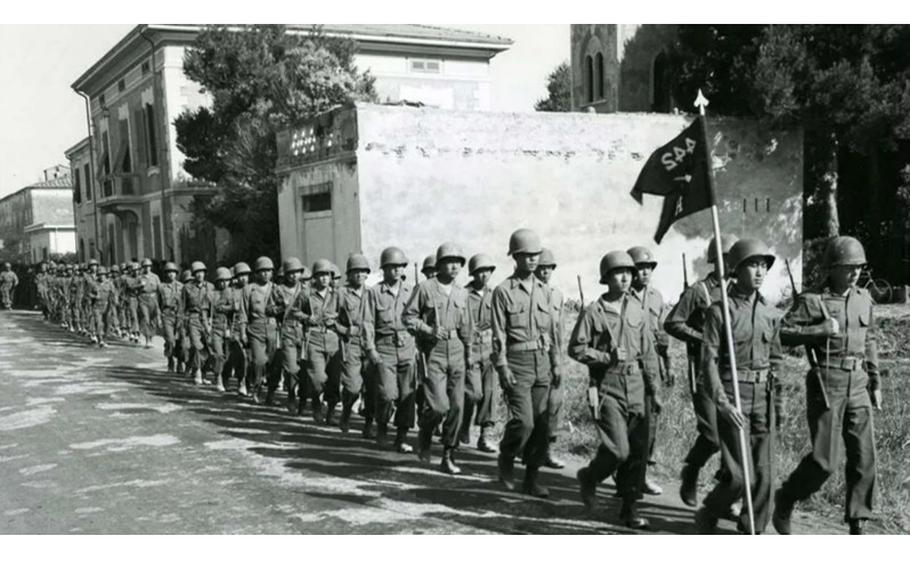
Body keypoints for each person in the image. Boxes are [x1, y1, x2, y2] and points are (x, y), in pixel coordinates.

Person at [773, 236, 881, 536]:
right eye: (848, 267)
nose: (855, 272)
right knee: (825, 461)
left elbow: (870, 339)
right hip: (826, 382)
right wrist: (818, 330)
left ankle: (858, 521)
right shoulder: (813, 301)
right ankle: (786, 497)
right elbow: (781, 332)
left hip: (858, 382)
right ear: (832, 268)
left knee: (864, 456)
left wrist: (875, 381)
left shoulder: (863, 298)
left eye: (858, 267)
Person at [695, 238, 783, 534]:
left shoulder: (770, 312)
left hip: (764, 398)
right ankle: (711, 510)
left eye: (763, 266)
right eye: (753, 265)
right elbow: (708, 362)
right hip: (734, 396)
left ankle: (752, 531)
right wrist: (722, 403)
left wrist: (778, 404)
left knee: (765, 476)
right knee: (738, 474)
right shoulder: (719, 311)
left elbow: (777, 360)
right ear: (736, 269)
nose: (759, 272)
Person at [571, 250, 661, 529]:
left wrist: (655, 389)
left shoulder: (638, 309)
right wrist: (604, 357)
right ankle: (590, 477)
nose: (625, 277)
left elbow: (648, 353)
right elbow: (575, 348)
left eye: (629, 273)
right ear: (606, 278)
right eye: (618, 273)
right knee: (618, 450)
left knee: (637, 453)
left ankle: (630, 509)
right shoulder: (593, 312)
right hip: (607, 385)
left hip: (636, 385)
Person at [664, 238, 734, 508]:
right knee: (712, 435)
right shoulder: (699, 291)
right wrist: (701, 338)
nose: (732, 262)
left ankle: (727, 496)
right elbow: (673, 323)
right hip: (704, 368)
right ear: (716, 259)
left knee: (734, 433)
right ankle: (691, 470)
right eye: (727, 257)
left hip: (732, 372)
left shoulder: (738, 290)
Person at [492, 229, 562, 498]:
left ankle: (531, 478)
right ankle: (507, 457)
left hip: (542, 362)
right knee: (524, 422)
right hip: (517, 362)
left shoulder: (546, 291)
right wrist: (503, 366)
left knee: (542, 426)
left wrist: (556, 363)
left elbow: (553, 333)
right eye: (526, 255)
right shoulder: (503, 291)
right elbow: (498, 334)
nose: (532, 260)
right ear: (515, 257)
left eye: (535, 255)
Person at [404, 242, 475, 474]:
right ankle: (425, 433)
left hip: (457, 351)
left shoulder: (462, 293)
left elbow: (468, 327)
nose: (454, 267)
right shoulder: (425, 288)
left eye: (458, 263)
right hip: (433, 352)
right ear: (440, 264)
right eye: (449, 262)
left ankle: (448, 454)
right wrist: (428, 329)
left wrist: (469, 354)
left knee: (457, 406)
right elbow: (408, 317)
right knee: (438, 407)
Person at [362, 246, 417, 452]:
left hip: (408, 346)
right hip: (384, 347)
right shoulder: (374, 293)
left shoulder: (412, 291)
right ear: (383, 269)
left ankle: (402, 436)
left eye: (400, 266)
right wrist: (370, 349)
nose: (396, 270)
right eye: (391, 267)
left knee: (407, 395)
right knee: (386, 393)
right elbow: (367, 322)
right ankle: (382, 426)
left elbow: (420, 319)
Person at [628, 245, 670, 496]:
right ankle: (627, 471)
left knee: (651, 422)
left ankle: (641, 473)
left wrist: (667, 365)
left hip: (653, 365)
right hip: (631, 366)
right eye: (640, 268)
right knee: (631, 423)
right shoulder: (622, 296)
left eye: (648, 268)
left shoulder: (656, 297)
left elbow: (661, 333)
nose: (645, 273)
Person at [291, 259, 342, 423]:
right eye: (320, 275)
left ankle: (332, 411)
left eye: (327, 275)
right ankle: (316, 405)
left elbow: (346, 314)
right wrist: (307, 317)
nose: (324, 278)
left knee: (334, 380)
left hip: (333, 338)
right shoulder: (306, 294)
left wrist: (337, 321)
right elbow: (294, 312)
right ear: (315, 277)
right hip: (314, 338)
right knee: (318, 378)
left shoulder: (337, 294)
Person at [460, 253, 498, 453]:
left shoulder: (494, 295)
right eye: (480, 272)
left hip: (490, 350)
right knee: (473, 393)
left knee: (490, 394)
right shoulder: (464, 295)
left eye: (487, 271)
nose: (484, 275)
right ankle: (463, 424)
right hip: (470, 349)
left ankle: (485, 436)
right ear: (473, 274)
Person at [534, 247, 567, 470]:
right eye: (542, 268)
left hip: (555, 354)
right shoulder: (529, 293)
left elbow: (561, 327)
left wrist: (560, 358)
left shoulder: (557, 294)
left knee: (554, 404)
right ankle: (529, 448)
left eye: (549, 268)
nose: (546, 272)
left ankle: (548, 449)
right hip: (534, 355)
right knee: (534, 406)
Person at [334, 253, 371, 433]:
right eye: (356, 271)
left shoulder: (372, 294)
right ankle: (346, 412)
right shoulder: (341, 294)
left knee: (372, 386)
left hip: (370, 344)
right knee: (353, 386)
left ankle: (369, 424)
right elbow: (330, 319)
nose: (360, 275)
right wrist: (345, 330)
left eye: (363, 271)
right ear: (349, 274)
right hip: (351, 344)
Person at [267, 258, 307, 408]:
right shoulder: (278, 290)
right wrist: (281, 308)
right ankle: (290, 394)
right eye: (290, 273)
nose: (293, 276)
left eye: (296, 273)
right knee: (290, 367)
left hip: (304, 331)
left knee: (304, 367)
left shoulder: (306, 289)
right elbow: (269, 309)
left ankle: (302, 397)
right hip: (286, 330)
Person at [240, 257, 278, 403]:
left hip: (273, 329)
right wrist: (243, 332)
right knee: (259, 361)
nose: (265, 274)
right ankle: (257, 388)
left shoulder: (275, 289)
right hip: (255, 328)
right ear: (256, 273)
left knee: (274, 363)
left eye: (268, 271)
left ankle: (271, 393)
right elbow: (243, 313)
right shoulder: (249, 289)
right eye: (262, 271)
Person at [183, 261, 214, 385]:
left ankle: (204, 372)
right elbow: (183, 306)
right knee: (197, 346)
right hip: (193, 317)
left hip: (207, 319)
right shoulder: (187, 288)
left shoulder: (211, 287)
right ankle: (198, 371)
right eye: (197, 273)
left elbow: (214, 305)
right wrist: (183, 324)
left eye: (201, 272)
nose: (199, 275)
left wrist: (212, 320)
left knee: (207, 347)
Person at [209, 267, 237, 392]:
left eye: (226, 281)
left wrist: (226, 308)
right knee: (219, 354)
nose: (224, 283)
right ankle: (218, 377)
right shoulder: (212, 294)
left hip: (229, 327)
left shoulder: (233, 293)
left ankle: (225, 378)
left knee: (229, 357)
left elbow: (237, 308)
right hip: (216, 327)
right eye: (221, 281)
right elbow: (207, 310)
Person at [157, 262, 184, 373]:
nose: (171, 275)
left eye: (173, 272)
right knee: (170, 340)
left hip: (179, 315)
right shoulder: (161, 287)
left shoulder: (182, 287)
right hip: (166, 315)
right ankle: (170, 360)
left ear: (176, 274)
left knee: (181, 341)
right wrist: (158, 318)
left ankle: (180, 363)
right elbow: (157, 303)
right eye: (168, 272)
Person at [89, 266, 118, 347]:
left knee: (107, 323)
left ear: (105, 275)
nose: (101, 276)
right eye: (100, 274)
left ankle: (105, 339)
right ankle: (100, 339)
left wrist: (115, 301)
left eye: (103, 274)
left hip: (107, 305)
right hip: (97, 306)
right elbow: (88, 294)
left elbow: (114, 293)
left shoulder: (109, 284)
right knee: (98, 323)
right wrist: (94, 296)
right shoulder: (94, 284)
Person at [137, 258, 161, 348]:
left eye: (149, 267)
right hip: (143, 299)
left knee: (153, 320)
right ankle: (148, 339)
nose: (147, 268)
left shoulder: (155, 277)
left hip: (153, 299)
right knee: (146, 318)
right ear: (143, 267)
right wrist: (139, 285)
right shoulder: (140, 277)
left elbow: (159, 289)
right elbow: (133, 288)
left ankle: (152, 336)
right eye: (145, 267)